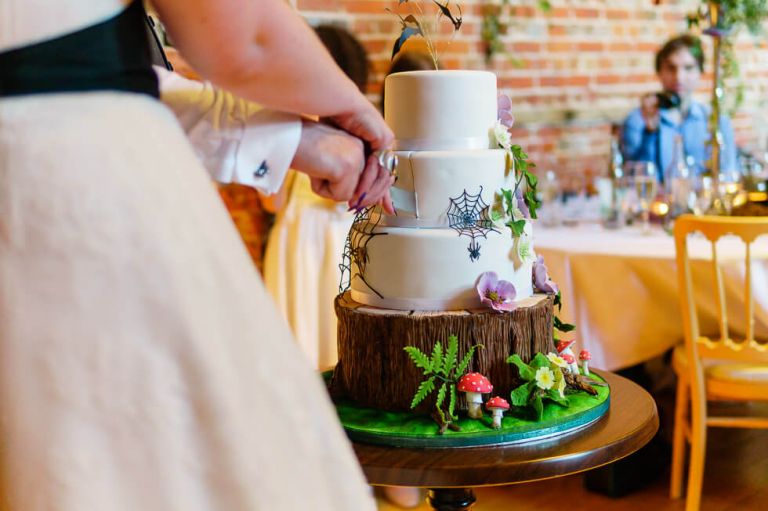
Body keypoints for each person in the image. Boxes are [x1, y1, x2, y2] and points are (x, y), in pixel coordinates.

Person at [0, 0, 396, 509]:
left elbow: (72, 70)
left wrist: (295, 138)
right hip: (75, 207)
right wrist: (352, 108)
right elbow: (247, 41)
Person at [622, 34, 739, 181]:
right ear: (659, 72)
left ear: (700, 72)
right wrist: (650, 133)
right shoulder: (637, 121)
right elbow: (635, 181)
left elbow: (729, 175)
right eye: (671, 68)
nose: (679, 77)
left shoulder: (717, 121)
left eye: (688, 68)